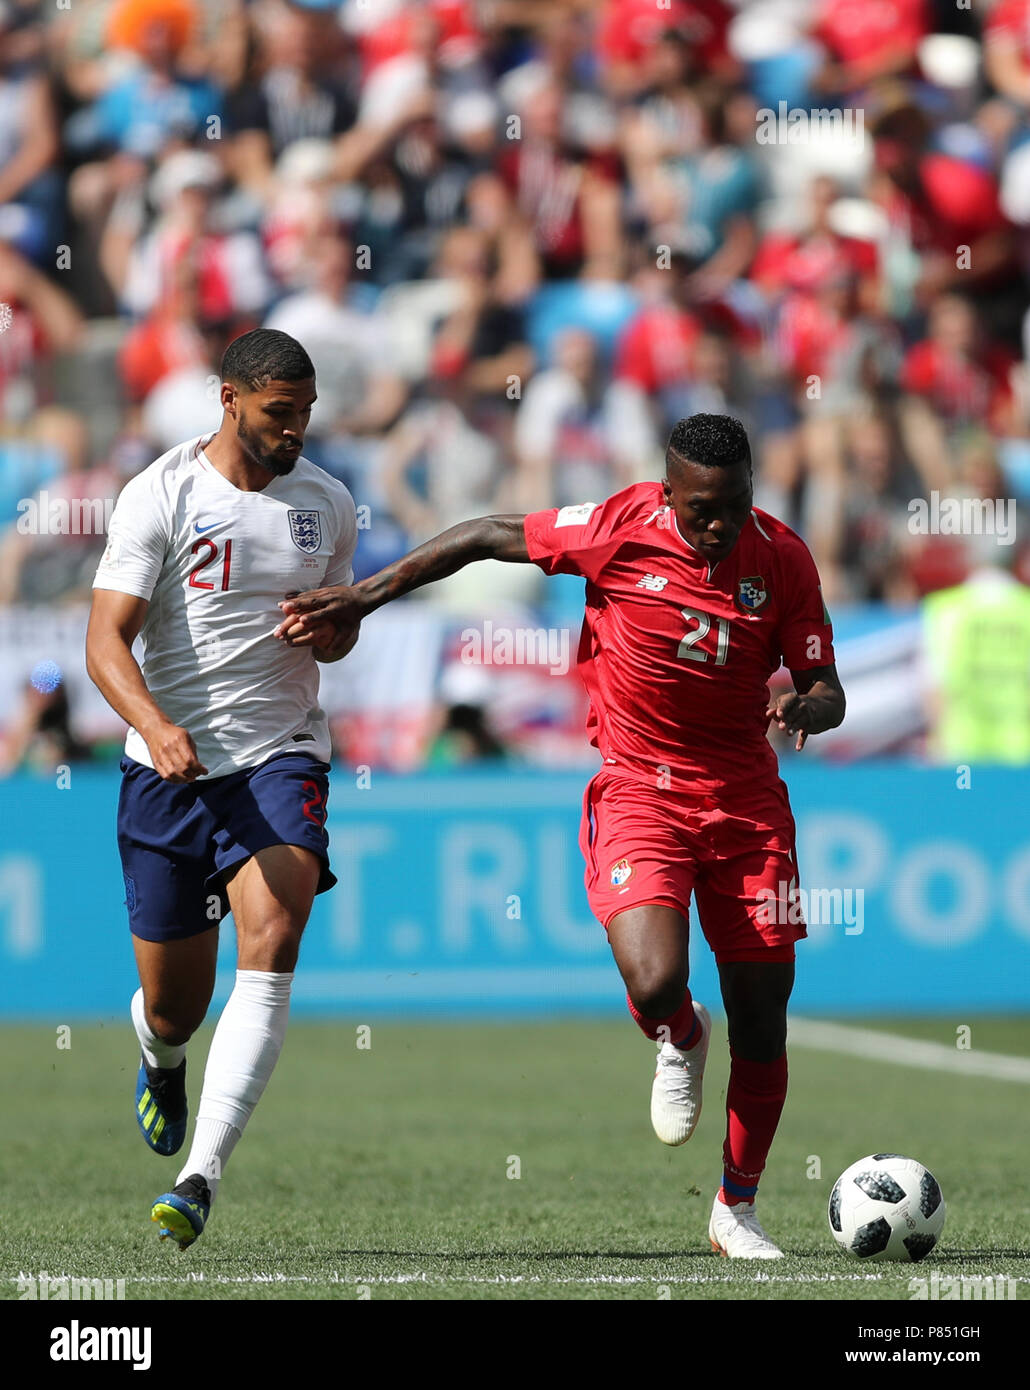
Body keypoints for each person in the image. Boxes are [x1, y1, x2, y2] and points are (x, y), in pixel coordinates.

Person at [276, 413, 845, 1258]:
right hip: (641, 791)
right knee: (656, 982)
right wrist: (363, 593)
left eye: (733, 505)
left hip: (749, 806)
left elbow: (828, 687)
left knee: (764, 1018)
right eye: (700, 510)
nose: (718, 525)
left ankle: (737, 1210)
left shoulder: (783, 558)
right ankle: (680, 1034)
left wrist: (807, 705)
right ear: (667, 492)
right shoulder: (618, 528)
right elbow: (481, 535)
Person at [85, 327, 359, 1250]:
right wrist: (158, 727)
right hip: (167, 768)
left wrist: (330, 634)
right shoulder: (159, 495)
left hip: (280, 756)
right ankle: (162, 1060)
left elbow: (340, 630)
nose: (296, 431)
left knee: (275, 937)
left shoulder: (327, 504)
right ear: (229, 399)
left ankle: (199, 1174)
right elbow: (104, 642)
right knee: (175, 1008)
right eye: (281, 413)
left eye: (307, 414)